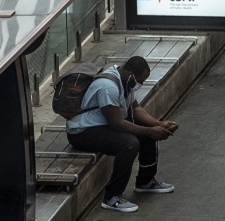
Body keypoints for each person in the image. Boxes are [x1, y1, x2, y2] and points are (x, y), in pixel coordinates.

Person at [66, 56, 178, 213]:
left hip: (102, 125)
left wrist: (158, 124)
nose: (141, 84)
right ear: (131, 74)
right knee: (129, 144)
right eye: (140, 80)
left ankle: (145, 181)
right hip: (82, 132)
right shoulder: (108, 86)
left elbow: (135, 108)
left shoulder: (125, 82)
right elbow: (116, 123)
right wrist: (150, 131)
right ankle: (112, 197)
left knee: (146, 133)